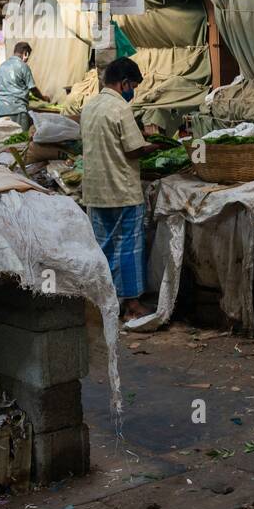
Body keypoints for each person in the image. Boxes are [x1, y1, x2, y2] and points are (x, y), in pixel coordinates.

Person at [80, 57, 160, 320]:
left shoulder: (89, 107)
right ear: (124, 83)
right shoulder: (120, 108)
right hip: (122, 191)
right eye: (133, 85)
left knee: (103, 248)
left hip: (95, 192)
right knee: (128, 249)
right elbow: (134, 149)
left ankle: (104, 302)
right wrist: (156, 144)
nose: (132, 91)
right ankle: (133, 307)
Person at [0, 42, 44, 133]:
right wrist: (44, 98)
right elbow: (33, 89)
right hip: (17, 110)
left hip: (1, 110)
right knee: (21, 141)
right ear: (26, 53)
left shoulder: (1, 67)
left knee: (4, 140)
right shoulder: (23, 66)